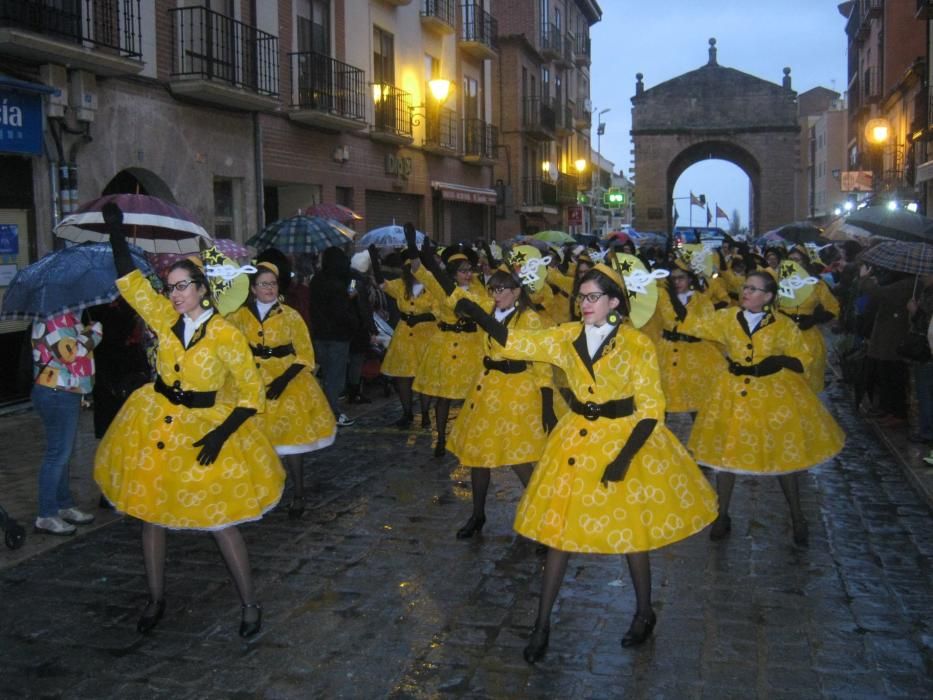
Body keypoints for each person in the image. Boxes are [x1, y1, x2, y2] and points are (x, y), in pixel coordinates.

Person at [455, 263, 718, 662]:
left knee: (633, 534)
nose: (584, 303)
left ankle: (644, 613)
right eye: (581, 296)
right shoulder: (566, 336)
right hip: (575, 439)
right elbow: (518, 344)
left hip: (623, 440)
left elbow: (651, 409)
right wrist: (476, 313)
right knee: (558, 533)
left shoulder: (635, 344)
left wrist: (625, 458)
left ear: (615, 301)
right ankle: (541, 624)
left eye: (593, 296)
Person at [95, 204, 284, 638]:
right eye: (170, 287)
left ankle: (250, 603)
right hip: (157, 424)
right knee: (151, 515)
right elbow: (132, 285)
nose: (174, 294)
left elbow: (252, 394)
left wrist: (220, 434)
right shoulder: (164, 320)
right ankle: (156, 597)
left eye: (182, 287)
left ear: (202, 289)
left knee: (220, 521)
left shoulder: (225, 334)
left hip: (206, 430)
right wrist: (117, 235)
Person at [680, 270, 845, 545]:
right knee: (726, 455)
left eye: (754, 289)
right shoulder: (727, 318)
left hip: (772, 394)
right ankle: (722, 515)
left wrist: (780, 360)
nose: (746, 292)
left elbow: (804, 357)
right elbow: (692, 326)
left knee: (782, 455)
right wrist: (679, 296)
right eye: (746, 287)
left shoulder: (782, 324)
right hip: (732, 393)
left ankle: (797, 516)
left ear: (768, 297)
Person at [445, 265, 554, 539]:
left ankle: (539, 520)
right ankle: (477, 514)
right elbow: (453, 294)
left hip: (518, 392)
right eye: (492, 288)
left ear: (516, 292)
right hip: (488, 389)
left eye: (501, 289)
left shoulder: (528, 319)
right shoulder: (489, 307)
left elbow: (541, 361)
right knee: (478, 457)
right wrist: (428, 267)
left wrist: (547, 400)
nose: (495, 294)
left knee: (520, 459)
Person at [228, 262, 336, 519]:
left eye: (273, 283)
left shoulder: (290, 315)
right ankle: (261, 492)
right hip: (251, 381)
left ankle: (298, 493)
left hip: (287, 383)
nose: (269, 288)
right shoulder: (238, 316)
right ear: (253, 289)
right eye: (264, 284)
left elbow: (306, 355)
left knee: (290, 443)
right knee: (253, 441)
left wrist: (282, 380)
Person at [409, 235, 485, 458]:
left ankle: (470, 437)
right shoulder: (440, 288)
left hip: (471, 348)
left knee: (473, 397)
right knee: (443, 397)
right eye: (463, 270)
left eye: (470, 269)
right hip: (446, 347)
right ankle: (441, 436)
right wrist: (414, 251)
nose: (468, 274)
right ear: (452, 272)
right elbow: (419, 270)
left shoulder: (478, 290)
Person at [31, 310, 102, 535]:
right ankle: (46, 514)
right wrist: (95, 333)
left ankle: (63, 505)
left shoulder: (66, 316)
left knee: (63, 453)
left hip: (64, 390)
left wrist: (86, 330)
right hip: (56, 392)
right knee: (57, 454)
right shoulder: (52, 317)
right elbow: (69, 352)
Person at [370, 246, 436, 429]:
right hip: (404, 336)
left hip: (427, 336)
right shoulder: (400, 285)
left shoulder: (432, 286)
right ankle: (407, 413)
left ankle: (425, 415)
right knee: (403, 377)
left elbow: (440, 311)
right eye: (410, 269)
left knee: (425, 377)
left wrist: (423, 317)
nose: (414, 272)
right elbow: (382, 284)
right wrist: (374, 261)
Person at [656, 262, 726, 418]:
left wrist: (680, 310)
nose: (677, 282)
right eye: (673, 279)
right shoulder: (661, 298)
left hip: (695, 354)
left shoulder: (702, 301)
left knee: (698, 399)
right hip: (667, 353)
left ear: (689, 279)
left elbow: (708, 327)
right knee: (663, 396)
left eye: (681, 278)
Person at [308, 246, 360, 428]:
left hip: (319, 334)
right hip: (337, 336)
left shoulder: (316, 280)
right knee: (335, 377)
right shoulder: (338, 285)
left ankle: (320, 410)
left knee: (323, 375)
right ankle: (332, 412)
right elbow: (343, 309)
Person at [779, 250, 839, 393]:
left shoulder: (816, 285)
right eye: (791, 259)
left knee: (808, 377)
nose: (794, 263)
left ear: (805, 262)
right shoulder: (778, 283)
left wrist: (814, 319)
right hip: (783, 334)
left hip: (808, 336)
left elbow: (833, 307)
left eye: (797, 260)